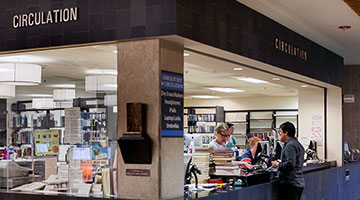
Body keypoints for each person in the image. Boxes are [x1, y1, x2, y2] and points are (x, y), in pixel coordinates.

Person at [272, 122, 305, 200]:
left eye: (280, 132)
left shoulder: (290, 145)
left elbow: (290, 164)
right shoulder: (298, 144)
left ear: (286, 133)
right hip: (297, 182)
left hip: (290, 184)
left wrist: (277, 165)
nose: (279, 134)